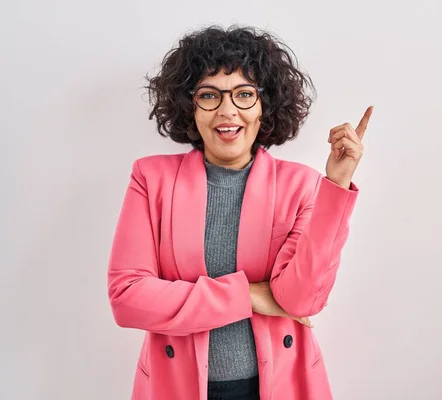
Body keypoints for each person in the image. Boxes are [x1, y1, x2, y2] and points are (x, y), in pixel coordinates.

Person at [107, 24, 372, 400]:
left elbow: (301, 301)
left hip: (280, 384)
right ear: (190, 105)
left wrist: (336, 186)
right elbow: (128, 298)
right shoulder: (151, 179)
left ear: (265, 106)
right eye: (210, 95)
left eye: (244, 94)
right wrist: (247, 295)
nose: (227, 110)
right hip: (176, 386)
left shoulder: (301, 185)